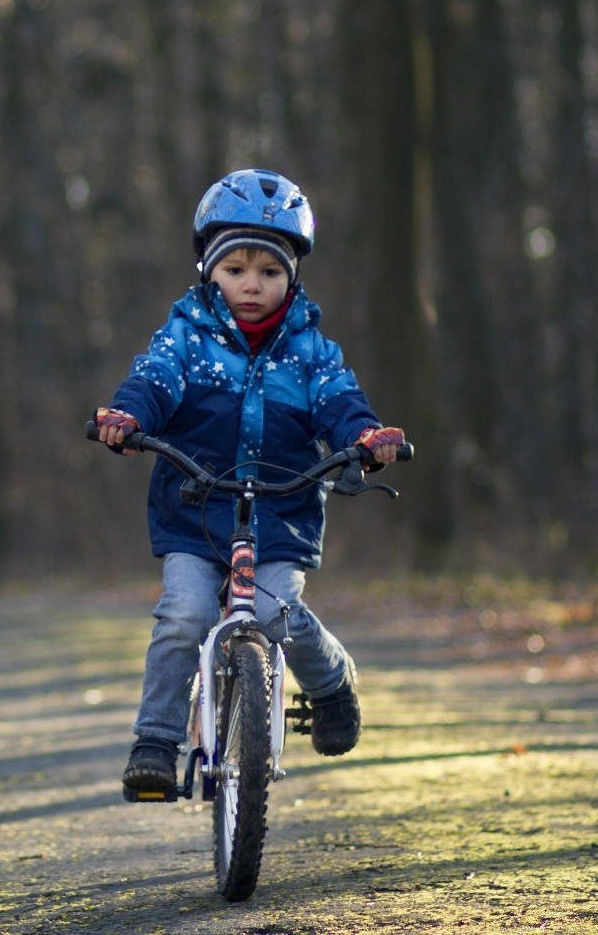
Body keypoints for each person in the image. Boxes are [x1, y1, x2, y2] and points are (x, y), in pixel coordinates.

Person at [92, 168, 406, 802]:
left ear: (291, 277)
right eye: (236, 269)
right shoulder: (185, 337)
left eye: (269, 271)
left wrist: (367, 436)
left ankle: (331, 683)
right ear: (210, 271)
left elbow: (338, 402)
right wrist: (129, 417)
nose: (252, 284)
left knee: (274, 614)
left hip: (281, 510)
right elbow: (154, 382)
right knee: (183, 616)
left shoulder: (310, 350)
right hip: (196, 507)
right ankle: (155, 741)